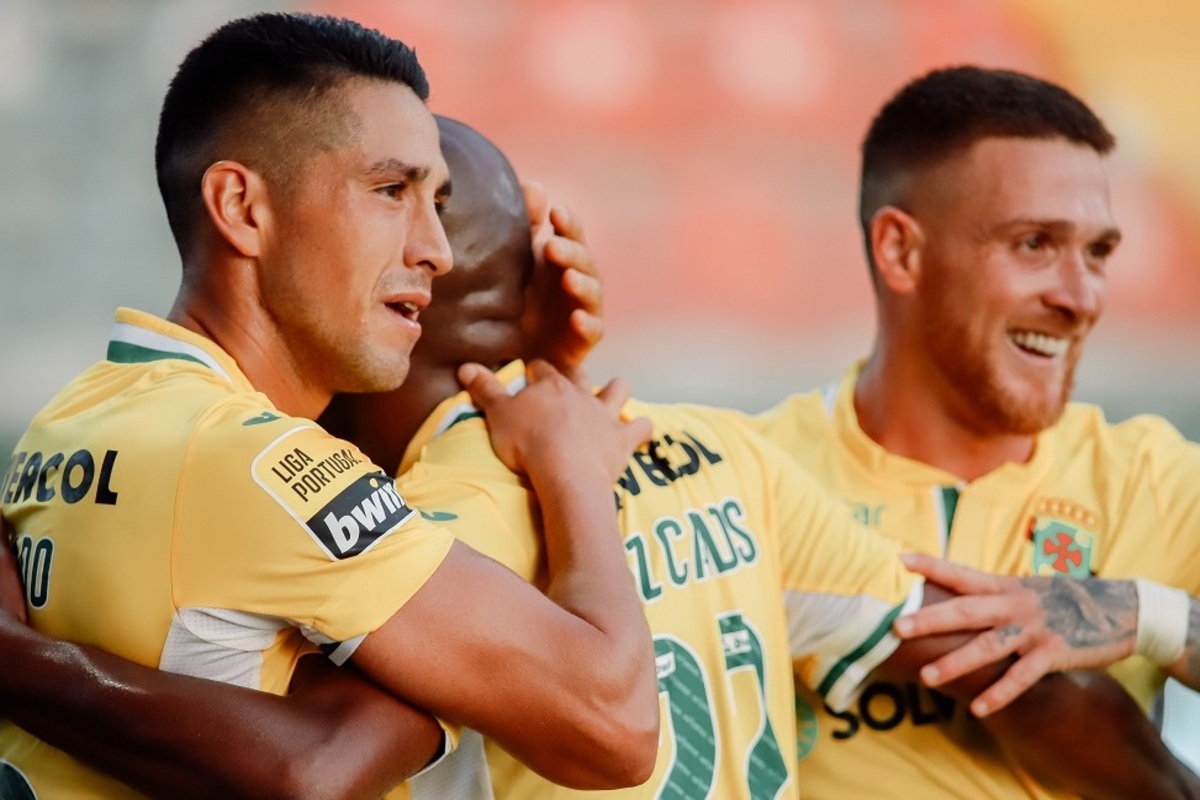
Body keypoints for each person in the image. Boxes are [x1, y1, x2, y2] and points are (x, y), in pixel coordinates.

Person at [3, 113, 1193, 800]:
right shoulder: (720, 452)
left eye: (414, 217)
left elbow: (311, 767)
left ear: (417, 292)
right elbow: (1005, 670)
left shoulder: (421, 531)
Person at [0, 13, 663, 798]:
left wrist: (514, 362)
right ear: (242, 207)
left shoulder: (79, 412)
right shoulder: (248, 459)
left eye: (438, 202)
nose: (437, 252)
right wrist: (573, 467)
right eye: (391, 191)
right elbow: (615, 723)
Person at [746, 64, 1200, 799]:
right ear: (901, 252)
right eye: (1034, 244)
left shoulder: (1156, 477)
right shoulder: (756, 476)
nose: (1080, 297)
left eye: (1099, 252)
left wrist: (1154, 616)